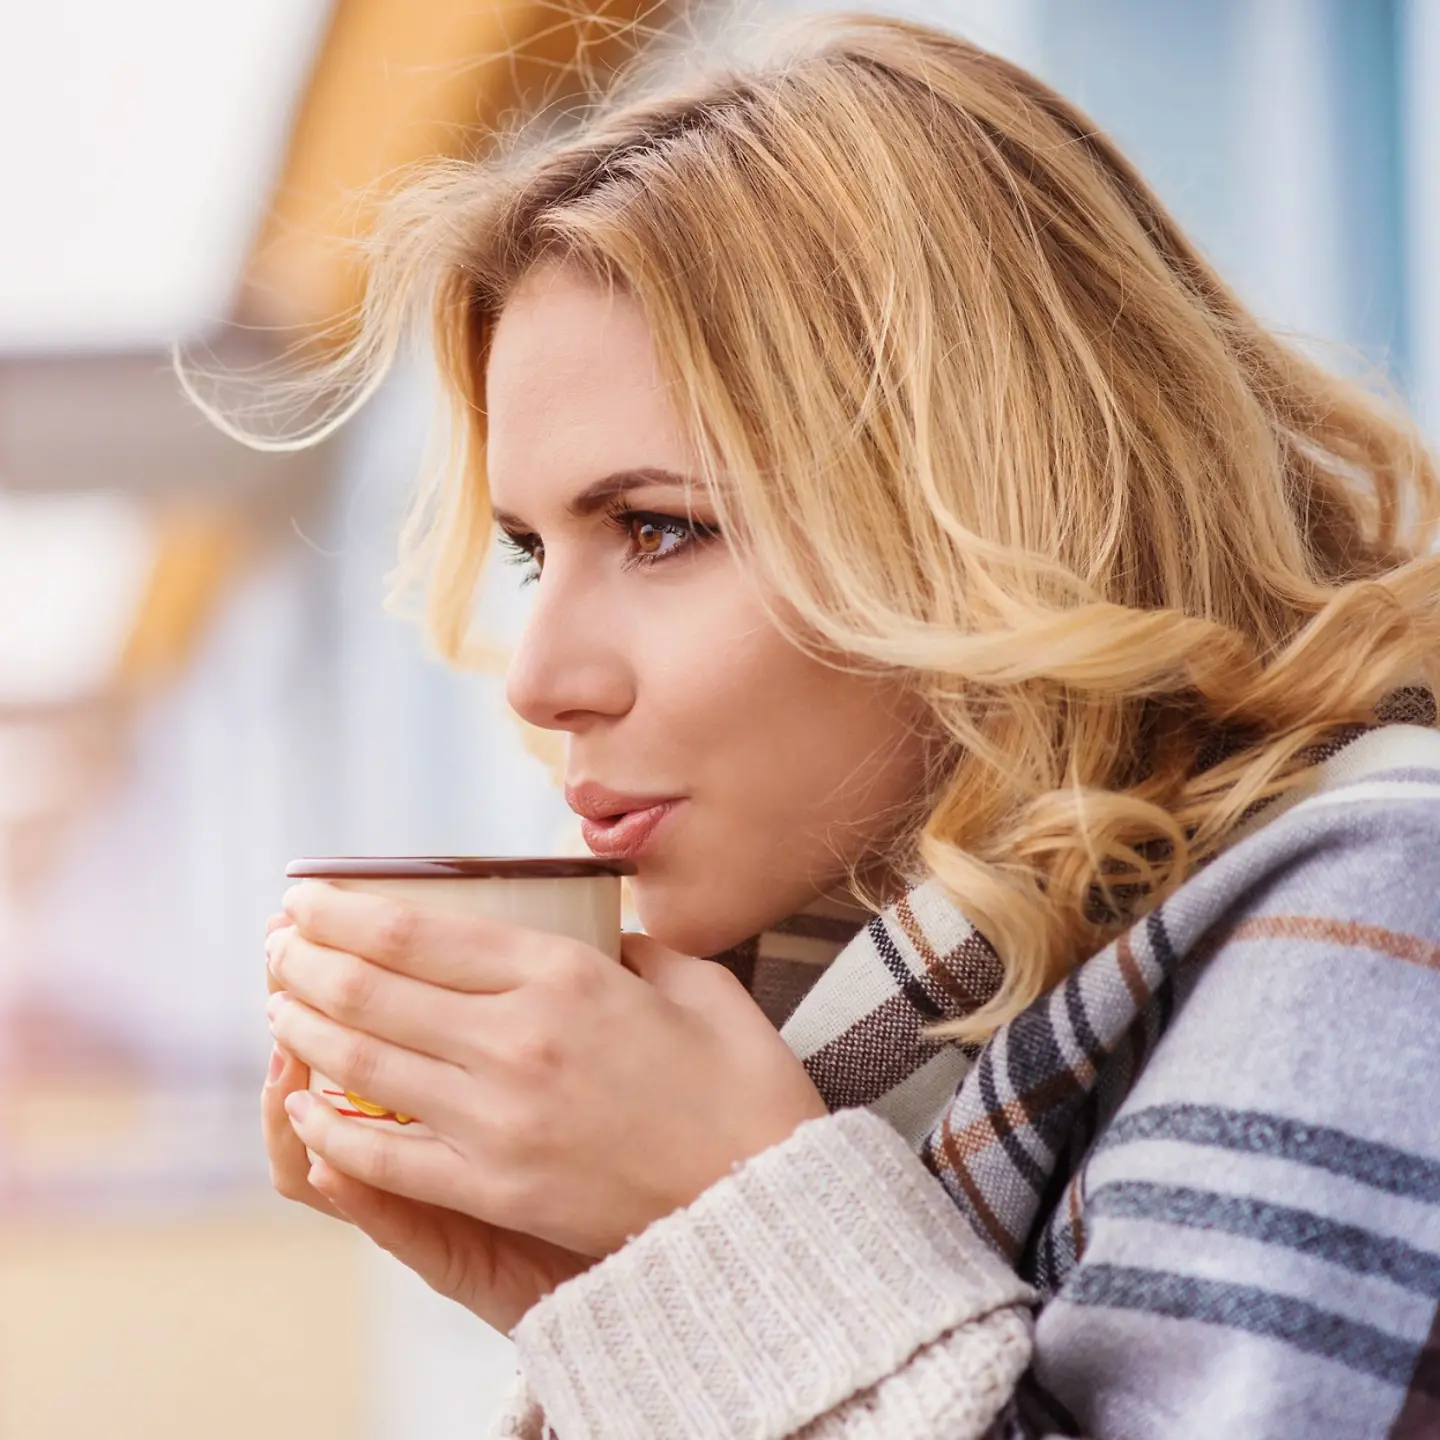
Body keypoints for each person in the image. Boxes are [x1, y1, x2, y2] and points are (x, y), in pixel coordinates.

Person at [249, 15, 1440, 1437]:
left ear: (993, 511)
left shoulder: (1372, 917)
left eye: (659, 527)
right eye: (529, 552)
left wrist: (728, 1225)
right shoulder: (879, 1005)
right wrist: (610, 1284)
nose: (538, 674)